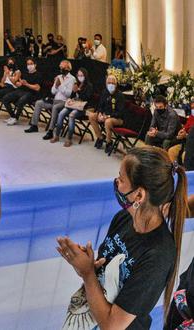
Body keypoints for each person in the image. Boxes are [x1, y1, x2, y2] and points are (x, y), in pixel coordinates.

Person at [58, 146, 187, 329]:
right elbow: (103, 276)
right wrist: (88, 266)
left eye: (121, 178)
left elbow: (113, 326)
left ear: (139, 195)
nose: (116, 182)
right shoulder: (124, 218)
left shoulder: (158, 255)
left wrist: (87, 274)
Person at [25, 60, 75, 140]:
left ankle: (50, 131)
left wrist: (60, 85)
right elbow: (53, 91)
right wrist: (55, 85)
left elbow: (68, 94)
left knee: (55, 108)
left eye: (63, 67)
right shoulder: (58, 76)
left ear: (68, 68)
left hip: (64, 102)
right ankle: (34, 125)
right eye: (60, 67)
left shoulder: (72, 79)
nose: (61, 68)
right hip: (55, 100)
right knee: (39, 103)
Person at [51, 68, 94, 147]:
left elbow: (87, 98)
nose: (80, 77)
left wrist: (78, 91)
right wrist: (72, 95)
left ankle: (69, 139)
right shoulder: (76, 83)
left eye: (82, 75)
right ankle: (56, 136)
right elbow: (71, 95)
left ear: (85, 76)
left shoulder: (89, 85)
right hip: (73, 104)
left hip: (82, 107)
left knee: (71, 115)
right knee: (61, 113)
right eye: (79, 75)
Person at [88, 75, 127, 154]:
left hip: (117, 118)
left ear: (116, 84)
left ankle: (109, 142)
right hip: (105, 115)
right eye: (109, 83)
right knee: (91, 116)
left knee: (108, 122)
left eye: (113, 83)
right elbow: (100, 105)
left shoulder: (120, 95)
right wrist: (99, 114)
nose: (111, 84)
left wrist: (108, 116)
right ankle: (100, 137)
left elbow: (120, 112)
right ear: (106, 84)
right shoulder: (104, 92)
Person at [2, 57, 42, 126]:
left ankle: (16, 118)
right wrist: (17, 83)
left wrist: (27, 84)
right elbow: (19, 84)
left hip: (32, 93)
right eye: (28, 64)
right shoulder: (25, 73)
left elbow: (37, 88)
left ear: (35, 65)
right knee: (5, 98)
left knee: (21, 100)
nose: (29, 66)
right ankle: (12, 116)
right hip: (22, 90)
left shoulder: (38, 74)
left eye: (31, 64)